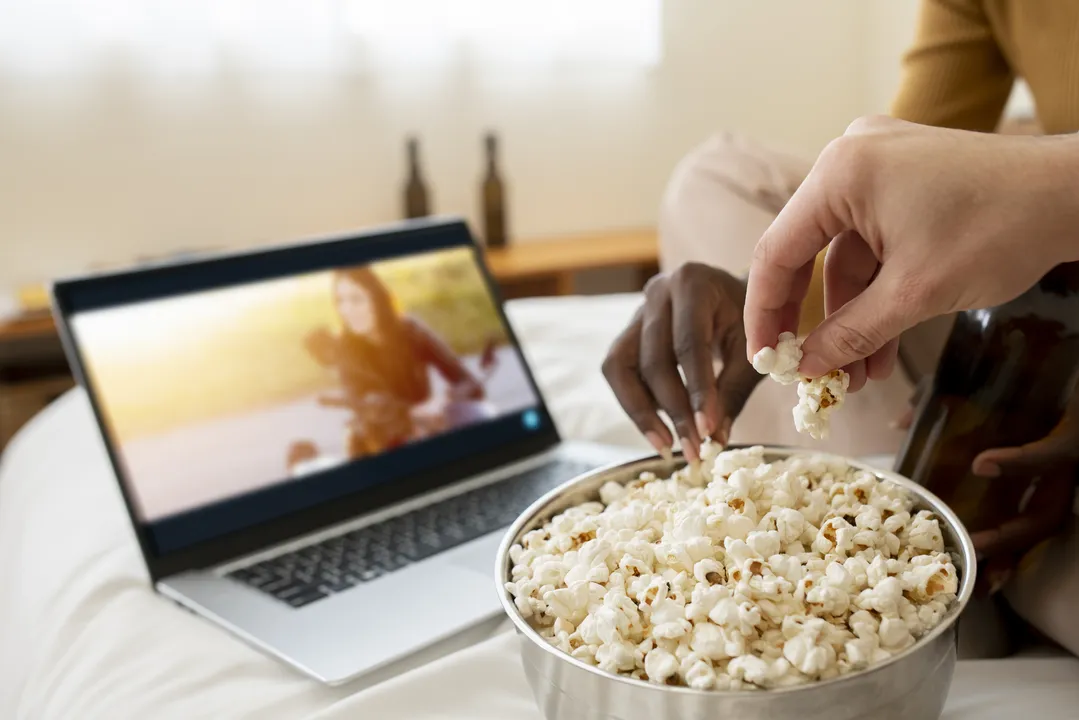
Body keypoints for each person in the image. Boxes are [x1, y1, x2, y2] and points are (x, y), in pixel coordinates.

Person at [303, 266, 491, 458]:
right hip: (378, 446)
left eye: (356, 299)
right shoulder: (345, 350)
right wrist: (413, 414)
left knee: (474, 413)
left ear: (377, 300)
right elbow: (372, 408)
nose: (347, 310)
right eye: (340, 301)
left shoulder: (411, 331)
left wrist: (445, 401)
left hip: (428, 428)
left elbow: (469, 383)